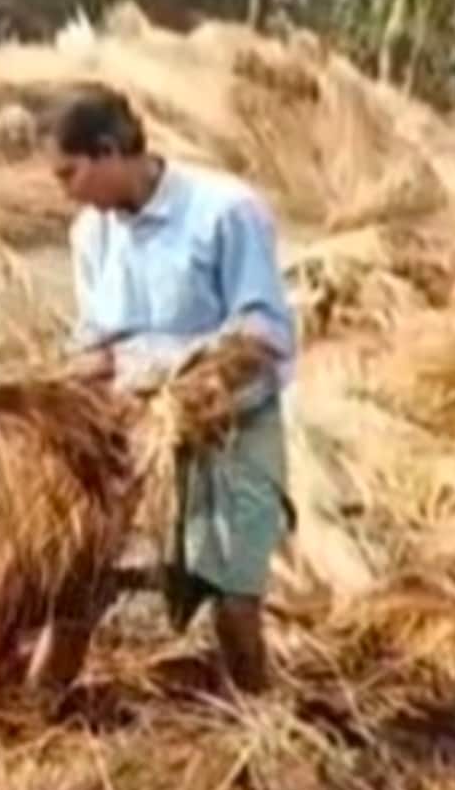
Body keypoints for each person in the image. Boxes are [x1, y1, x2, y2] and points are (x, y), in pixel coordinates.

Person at [40, 83, 297, 700]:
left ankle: (266, 731)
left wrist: (190, 390)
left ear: (108, 151)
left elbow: (262, 333)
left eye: (69, 173)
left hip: (227, 428)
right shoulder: (91, 236)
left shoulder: (225, 212)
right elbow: (96, 346)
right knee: (73, 582)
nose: (65, 192)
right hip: (130, 429)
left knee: (234, 602)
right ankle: (33, 716)